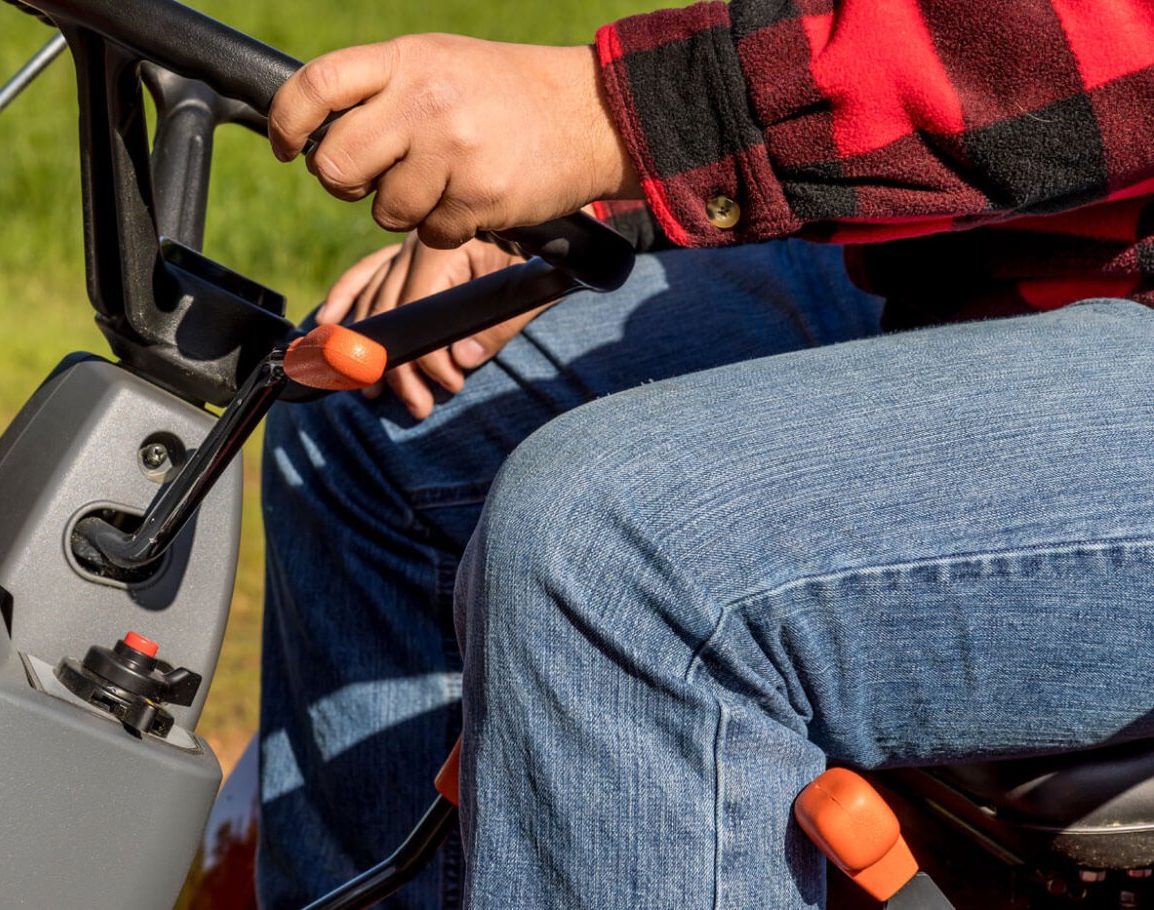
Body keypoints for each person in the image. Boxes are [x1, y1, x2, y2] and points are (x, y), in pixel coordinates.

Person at [256, 3, 1154, 907]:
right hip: (994, 254)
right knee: (369, 420)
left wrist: (620, 117)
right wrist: (588, 203)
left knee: (612, 545)